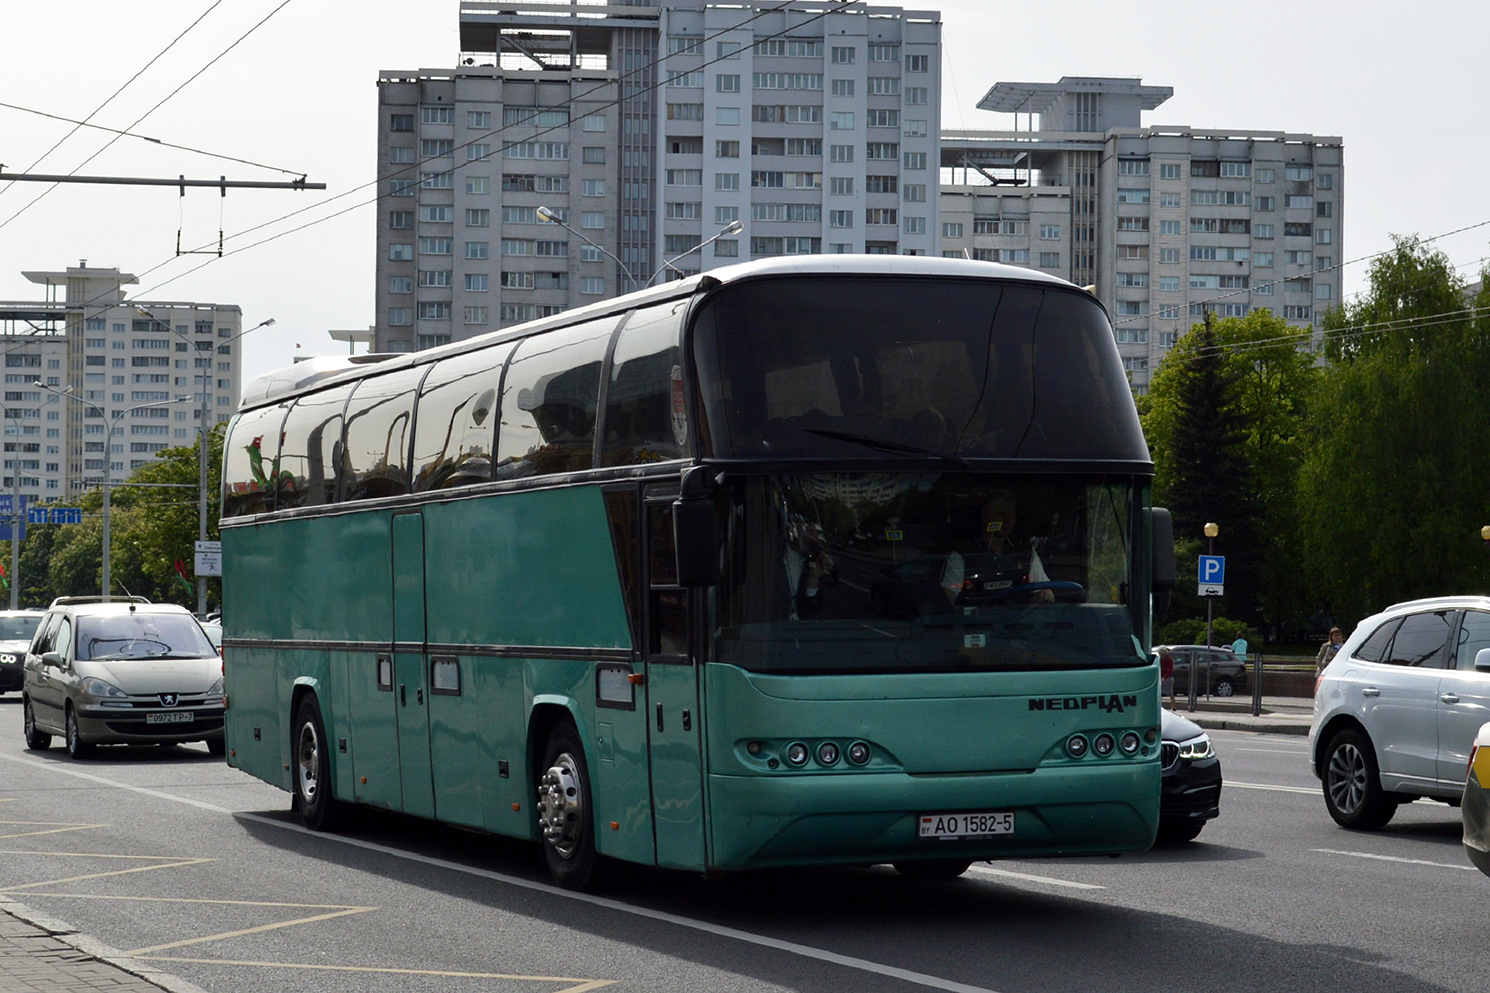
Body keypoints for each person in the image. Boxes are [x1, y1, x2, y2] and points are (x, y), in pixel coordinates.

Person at [940, 490, 1053, 605]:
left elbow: (1043, 588)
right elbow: (948, 598)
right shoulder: (962, 555)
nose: (1008, 521)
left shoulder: (1024, 551)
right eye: (1000, 514)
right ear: (985, 517)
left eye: (1011, 515)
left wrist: (1045, 594)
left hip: (1018, 620)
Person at [783, 522, 834, 620]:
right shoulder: (774, 551)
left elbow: (809, 611)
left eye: (814, 533)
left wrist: (813, 580)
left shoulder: (814, 566)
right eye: (806, 530)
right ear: (792, 529)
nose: (809, 537)